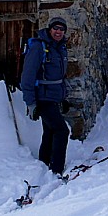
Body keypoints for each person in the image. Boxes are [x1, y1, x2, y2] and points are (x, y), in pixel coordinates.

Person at [21, 16, 70, 177]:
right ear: (49, 29)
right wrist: (31, 103)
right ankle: (57, 169)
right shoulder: (39, 47)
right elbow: (27, 75)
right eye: (55, 28)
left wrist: (64, 97)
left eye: (62, 29)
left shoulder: (60, 47)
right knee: (61, 131)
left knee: (50, 131)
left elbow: (60, 76)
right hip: (42, 97)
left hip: (54, 97)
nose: (58, 32)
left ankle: (44, 163)